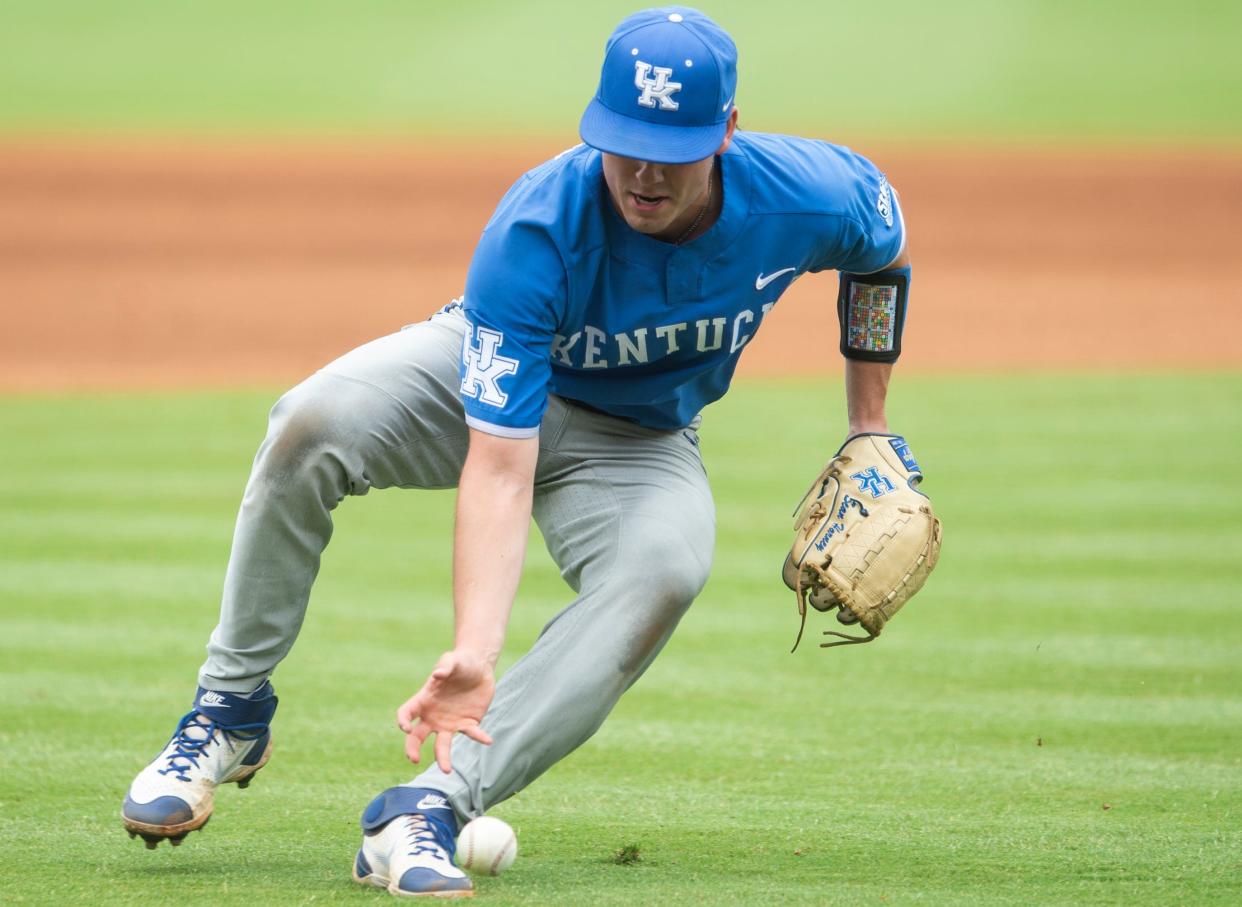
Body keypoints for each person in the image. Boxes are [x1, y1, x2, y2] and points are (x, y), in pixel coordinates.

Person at [122, 6, 913, 897]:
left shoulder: (809, 194)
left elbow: (883, 251)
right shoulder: (539, 228)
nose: (645, 171)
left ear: (726, 132)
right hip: (485, 382)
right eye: (623, 142)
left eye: (672, 146)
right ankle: (228, 711)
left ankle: (427, 809)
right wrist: (475, 650)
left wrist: (868, 424)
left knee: (667, 565)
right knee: (312, 419)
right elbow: (499, 465)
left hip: (640, 441)